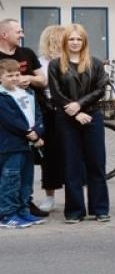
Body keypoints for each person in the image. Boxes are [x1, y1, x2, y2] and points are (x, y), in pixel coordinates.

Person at [50, 24, 114, 223]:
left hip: (92, 117)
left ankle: (100, 209)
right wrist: (74, 111)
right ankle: (74, 211)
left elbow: (100, 89)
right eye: (71, 39)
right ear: (65, 41)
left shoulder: (95, 63)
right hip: (67, 119)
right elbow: (56, 93)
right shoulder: (55, 64)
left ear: (84, 41)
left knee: (96, 163)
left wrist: (79, 105)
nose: (75, 42)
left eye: (79, 39)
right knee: (72, 165)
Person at [0, 59, 45, 229]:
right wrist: (30, 134)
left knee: (26, 181)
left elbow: (38, 115)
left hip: (28, 146)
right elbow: (10, 120)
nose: (14, 78)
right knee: (10, 179)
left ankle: (23, 211)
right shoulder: (2, 96)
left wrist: (38, 132)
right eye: (9, 75)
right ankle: (7, 214)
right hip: (11, 145)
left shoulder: (28, 94)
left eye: (17, 74)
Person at [31, 24, 65, 217]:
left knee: (70, 153)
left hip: (66, 109)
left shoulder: (69, 61)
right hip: (48, 109)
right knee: (49, 156)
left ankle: (70, 196)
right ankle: (50, 196)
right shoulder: (41, 62)